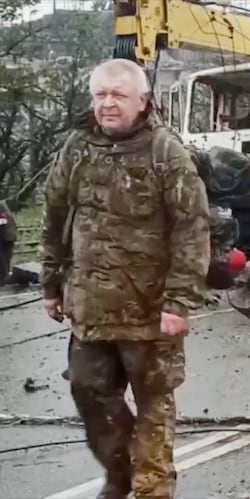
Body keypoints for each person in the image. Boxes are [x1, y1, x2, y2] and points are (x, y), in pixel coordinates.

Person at [40, 58, 211, 499]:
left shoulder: (166, 152)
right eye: (100, 95)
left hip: (150, 311)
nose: (107, 104)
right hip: (90, 307)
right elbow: (55, 215)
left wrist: (179, 302)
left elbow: (192, 228)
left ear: (143, 100)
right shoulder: (77, 149)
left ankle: (153, 488)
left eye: (118, 95)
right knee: (90, 394)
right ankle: (120, 475)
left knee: (154, 402)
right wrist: (51, 284)